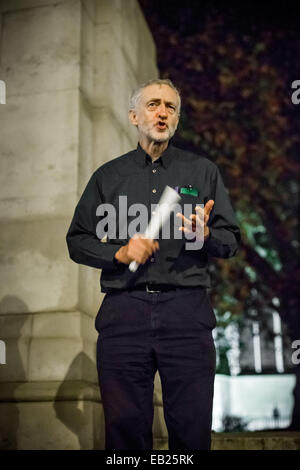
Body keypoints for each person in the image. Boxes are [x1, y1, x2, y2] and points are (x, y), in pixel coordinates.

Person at [66, 78, 240, 450]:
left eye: (170, 107)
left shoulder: (202, 172)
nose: (162, 112)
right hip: (123, 311)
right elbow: (77, 240)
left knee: (191, 432)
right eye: (153, 104)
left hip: (187, 313)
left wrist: (206, 235)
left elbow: (231, 241)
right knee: (125, 433)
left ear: (176, 118)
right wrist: (119, 253)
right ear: (133, 115)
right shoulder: (107, 177)